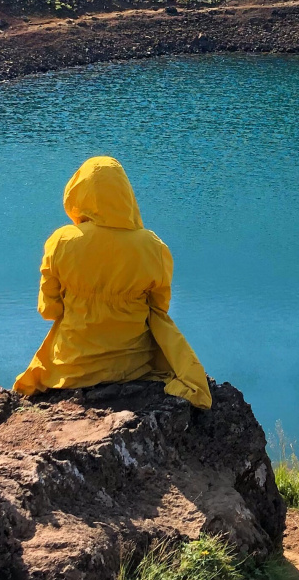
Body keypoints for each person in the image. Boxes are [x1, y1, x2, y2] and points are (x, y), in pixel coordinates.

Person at [14, 155, 211, 408]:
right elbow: (160, 306)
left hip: (72, 368)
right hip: (134, 365)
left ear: (78, 192)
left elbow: (49, 310)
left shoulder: (62, 241)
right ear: (126, 195)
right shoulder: (152, 246)